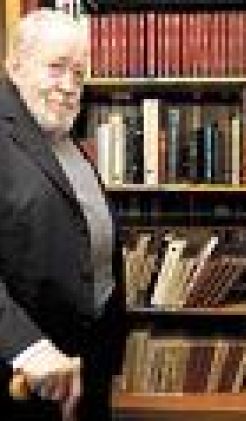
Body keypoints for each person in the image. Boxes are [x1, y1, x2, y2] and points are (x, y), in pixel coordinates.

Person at [0, 8, 126, 420]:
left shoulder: (59, 131)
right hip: (28, 371)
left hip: (88, 356)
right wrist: (25, 347)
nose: (70, 86)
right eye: (56, 67)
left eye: (79, 73)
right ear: (15, 65)